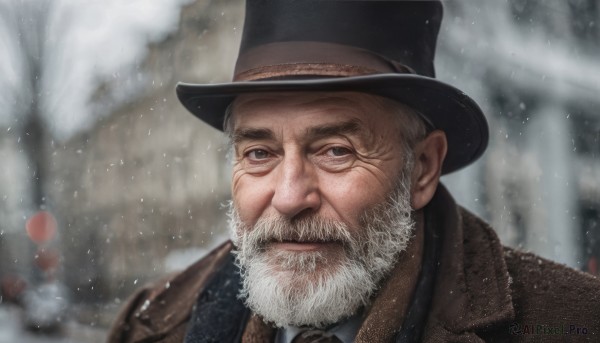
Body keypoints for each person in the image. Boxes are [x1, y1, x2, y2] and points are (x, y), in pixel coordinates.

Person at [107, 1, 600, 342]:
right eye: (259, 153)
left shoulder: (574, 323)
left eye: (336, 151)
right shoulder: (153, 326)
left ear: (422, 169)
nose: (289, 196)